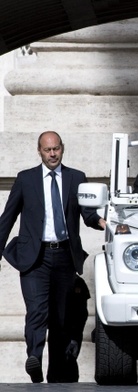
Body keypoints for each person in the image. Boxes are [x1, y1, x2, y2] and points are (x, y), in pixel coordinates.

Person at [0, 131, 106, 383]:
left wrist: (103, 222)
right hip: (34, 257)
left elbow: (87, 214)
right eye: (47, 150)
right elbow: (8, 217)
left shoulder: (76, 177)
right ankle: (34, 357)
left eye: (56, 149)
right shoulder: (26, 179)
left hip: (64, 257)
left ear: (62, 148)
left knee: (61, 318)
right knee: (37, 310)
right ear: (39, 151)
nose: (52, 154)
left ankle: (57, 375)